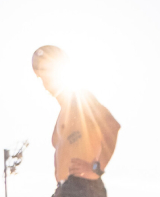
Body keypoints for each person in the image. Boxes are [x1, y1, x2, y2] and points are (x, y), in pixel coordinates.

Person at [32, 46, 121, 197]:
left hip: (83, 186)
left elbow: (111, 125)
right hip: (64, 189)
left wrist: (96, 169)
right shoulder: (62, 114)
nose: (45, 81)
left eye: (48, 71)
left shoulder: (81, 99)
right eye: (41, 75)